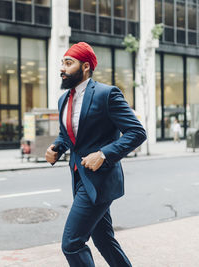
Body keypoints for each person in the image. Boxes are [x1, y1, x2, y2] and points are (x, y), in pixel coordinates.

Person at [45, 42, 146, 267]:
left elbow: (137, 132)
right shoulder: (64, 100)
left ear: (86, 67)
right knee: (103, 239)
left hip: (101, 179)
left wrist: (103, 153)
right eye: (62, 62)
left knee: (72, 243)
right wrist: (56, 148)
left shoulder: (106, 94)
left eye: (68, 63)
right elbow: (68, 136)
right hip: (80, 178)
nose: (62, 68)